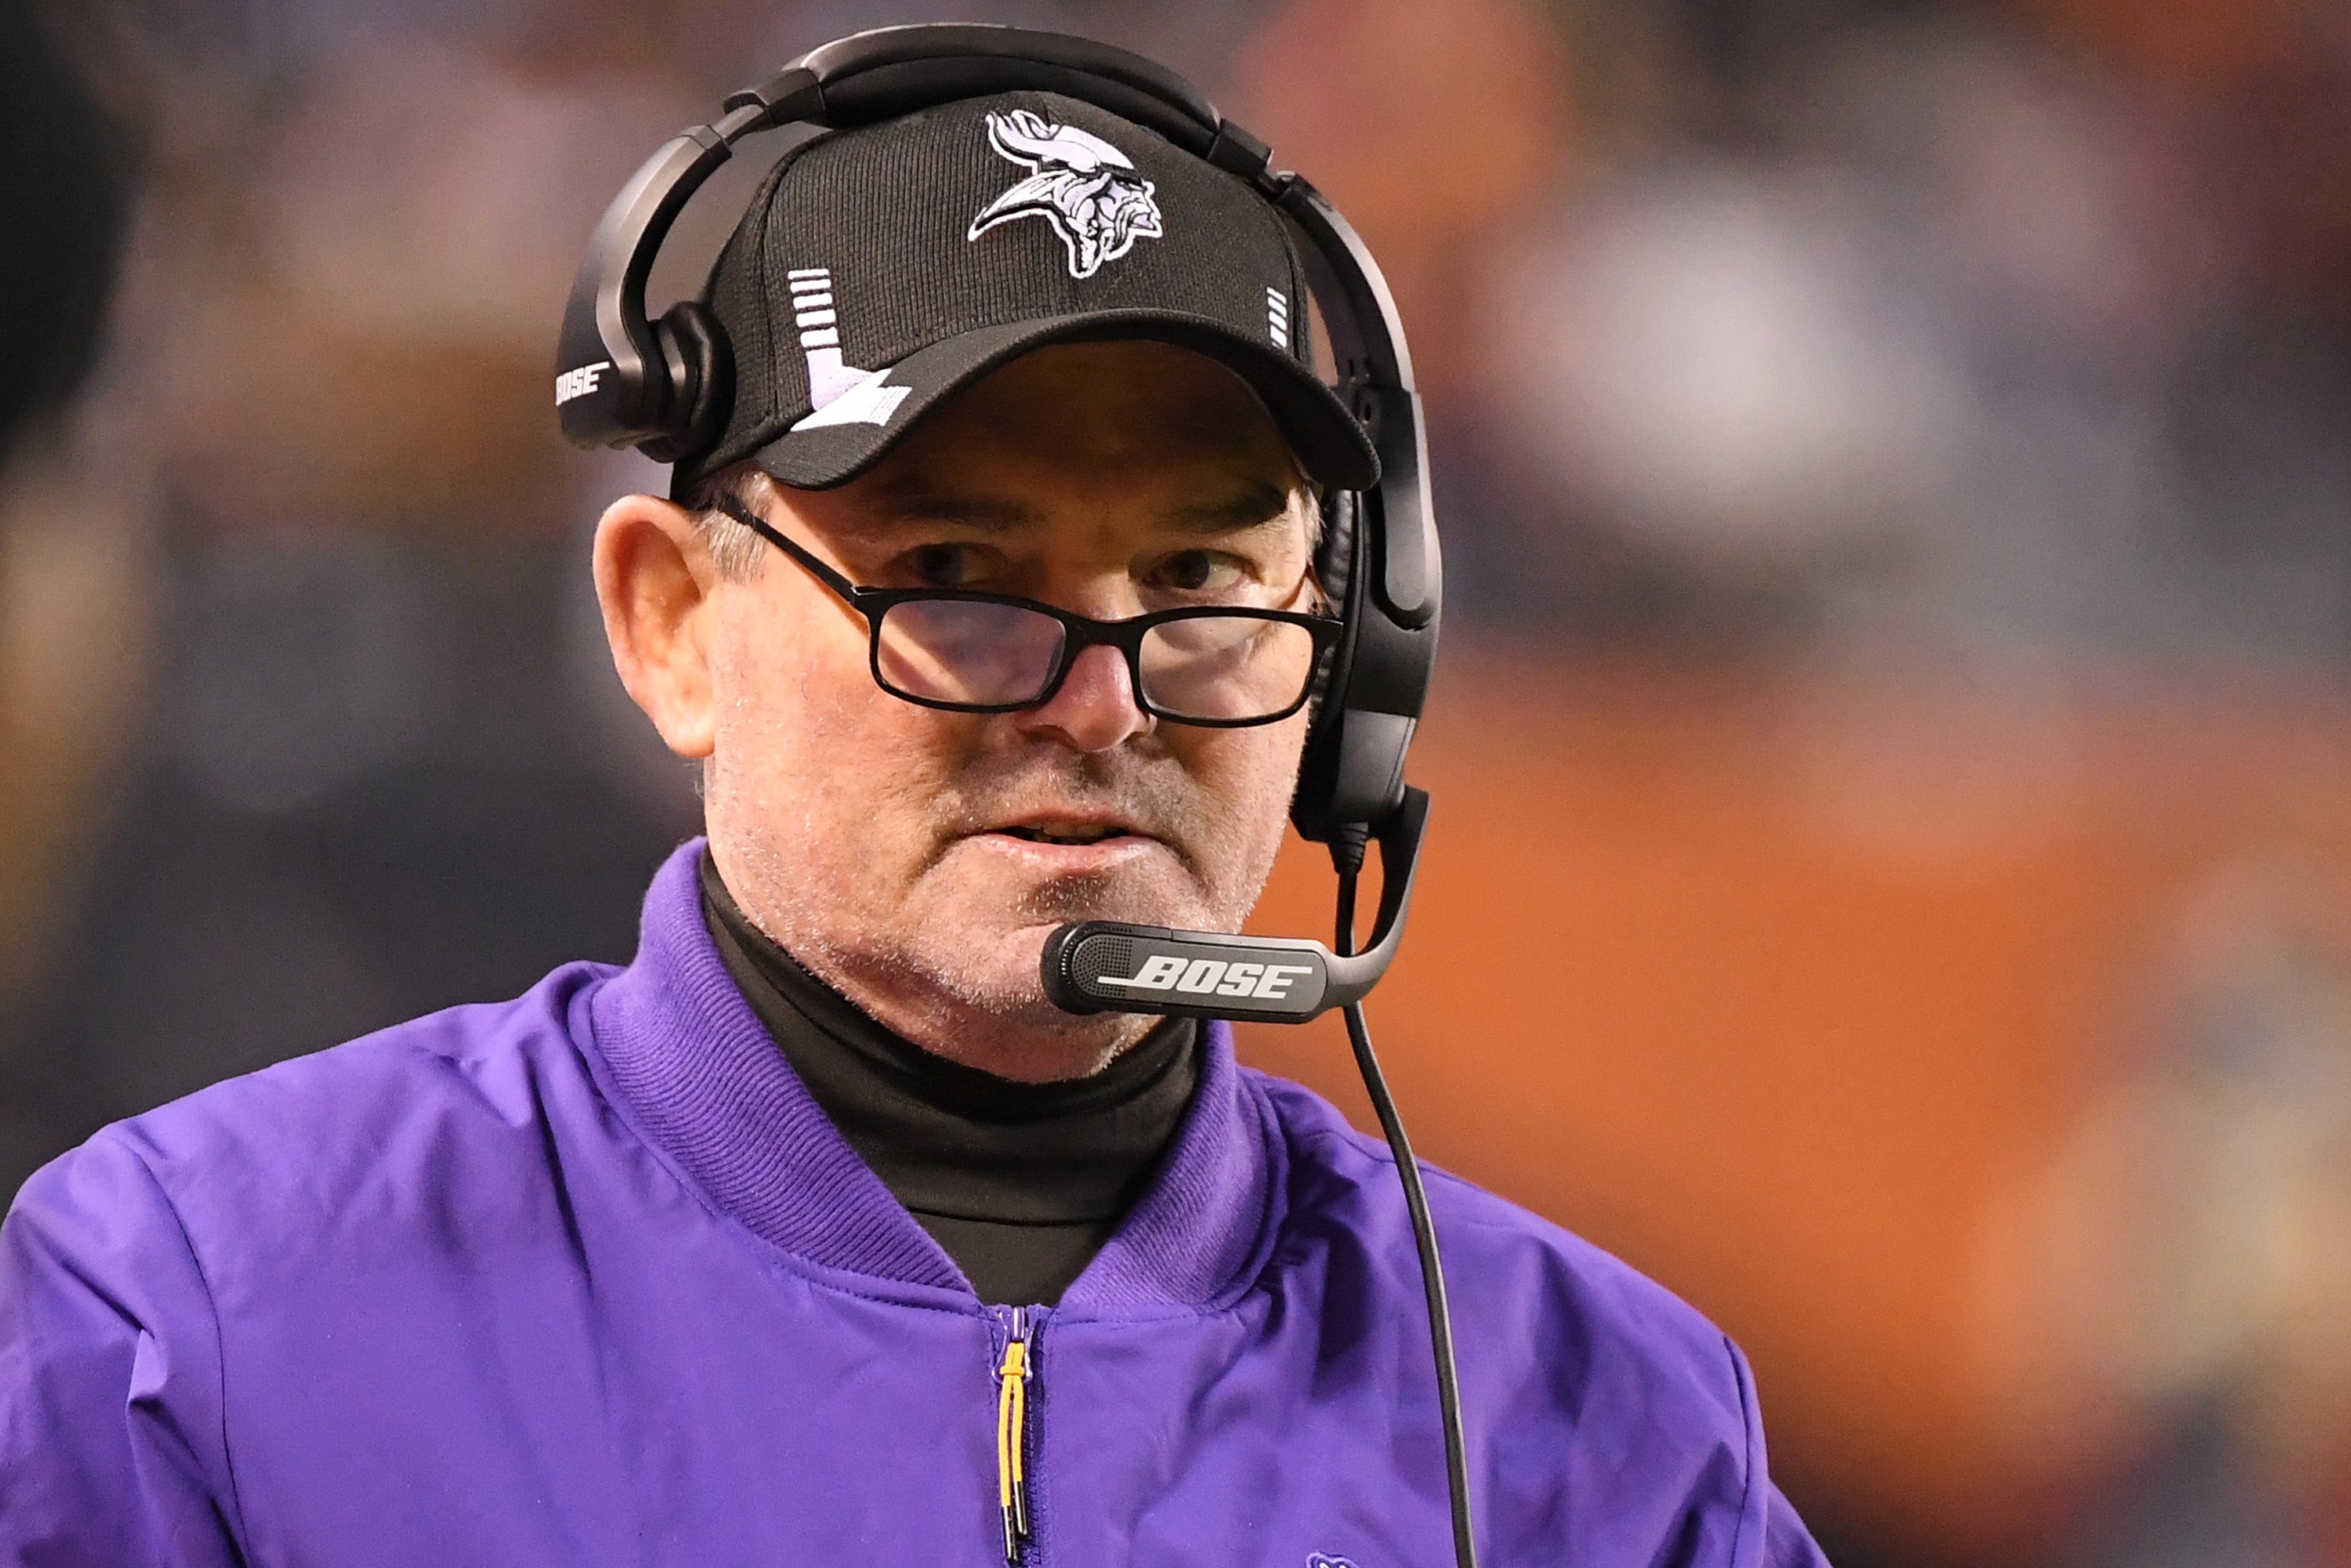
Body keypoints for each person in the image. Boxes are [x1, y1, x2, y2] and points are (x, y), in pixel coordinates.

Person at [0, 34, 1831, 1568]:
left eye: (1200, 580)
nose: (1105, 698)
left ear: (1353, 664)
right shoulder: (190, 1317)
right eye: (958, 571)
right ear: (671, 623)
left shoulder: (1609, 1427)